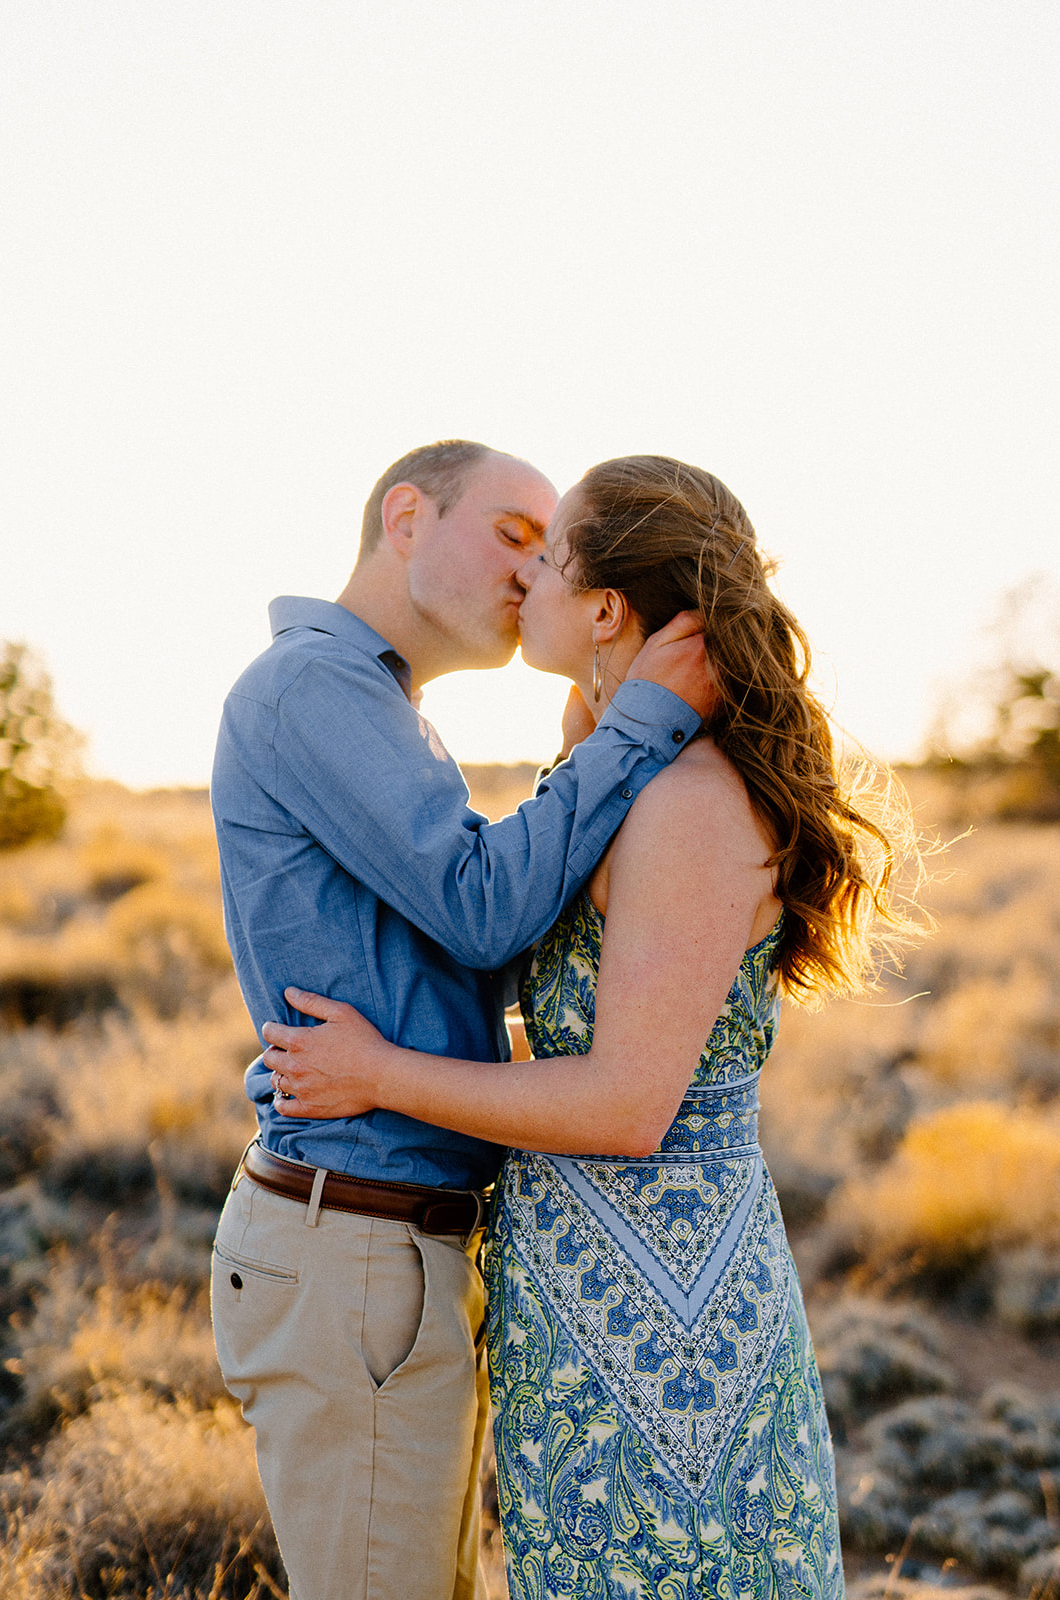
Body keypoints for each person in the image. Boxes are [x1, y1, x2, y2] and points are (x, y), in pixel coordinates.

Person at [261, 455, 922, 1600]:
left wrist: (380, 1073)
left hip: (669, 1333)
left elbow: (622, 1103)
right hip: (579, 1305)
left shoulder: (688, 806)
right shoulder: (624, 767)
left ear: (606, 607)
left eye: (550, 554)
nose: (527, 576)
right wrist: (605, 709)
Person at [209, 440, 714, 1600]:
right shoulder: (314, 688)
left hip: (387, 1241)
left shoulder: (380, 704)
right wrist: (638, 724)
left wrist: (587, 739)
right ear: (403, 517)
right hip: (354, 1243)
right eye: (509, 533)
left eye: (548, 550)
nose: (529, 571)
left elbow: (469, 924)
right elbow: (483, 907)